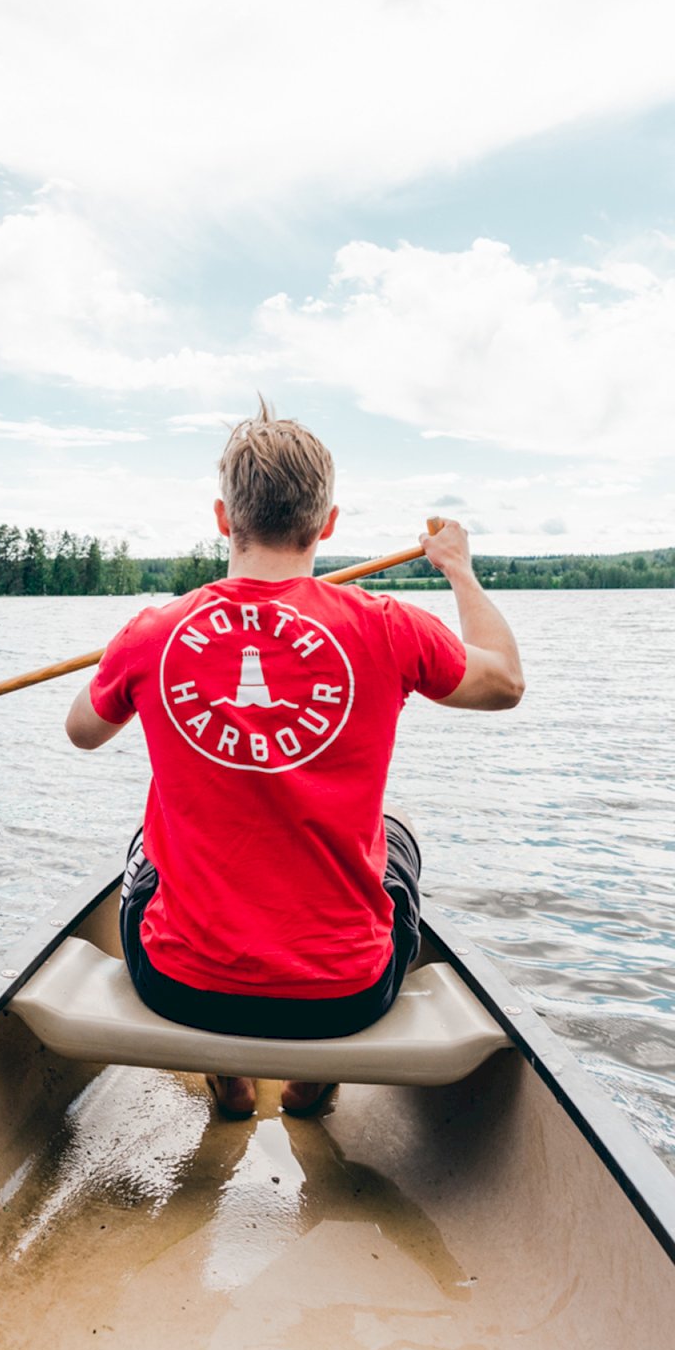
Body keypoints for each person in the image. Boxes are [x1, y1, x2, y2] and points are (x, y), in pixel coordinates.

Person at [65, 402, 524, 1120]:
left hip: (177, 985)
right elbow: (505, 681)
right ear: (328, 523)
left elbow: (82, 732)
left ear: (224, 518)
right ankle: (311, 1082)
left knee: (146, 839)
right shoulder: (386, 625)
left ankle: (232, 1081)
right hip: (346, 996)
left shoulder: (156, 629)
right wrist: (459, 571)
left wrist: (131, 653)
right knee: (394, 826)